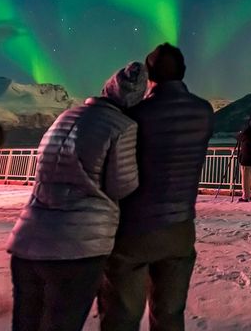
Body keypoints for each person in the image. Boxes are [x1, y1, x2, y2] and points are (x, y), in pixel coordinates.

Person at [7, 62, 146, 331]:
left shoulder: (65, 117)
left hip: (29, 237)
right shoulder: (122, 126)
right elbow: (122, 186)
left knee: (26, 323)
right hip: (78, 248)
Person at [99, 43, 214, 331]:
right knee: (170, 314)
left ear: (149, 75)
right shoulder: (204, 111)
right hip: (180, 228)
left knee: (121, 315)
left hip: (134, 229)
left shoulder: (138, 114)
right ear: (184, 72)